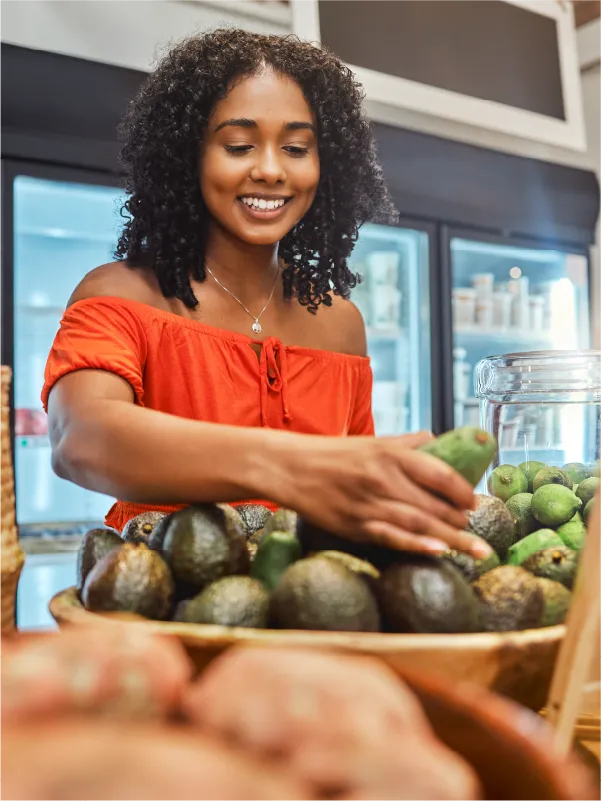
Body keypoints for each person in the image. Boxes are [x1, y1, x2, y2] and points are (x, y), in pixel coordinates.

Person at [42, 29, 490, 559]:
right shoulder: (120, 295)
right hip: (160, 613)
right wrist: (291, 465)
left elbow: (350, 500)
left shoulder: (340, 323)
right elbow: (81, 440)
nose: (272, 170)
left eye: (297, 148)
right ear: (187, 154)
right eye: (239, 146)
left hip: (307, 612)